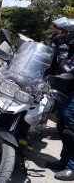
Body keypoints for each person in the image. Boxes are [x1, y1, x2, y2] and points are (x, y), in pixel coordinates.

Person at [44, 17, 74, 180]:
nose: (59, 36)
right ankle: (64, 161)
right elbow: (52, 67)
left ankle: (72, 167)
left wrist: (61, 57)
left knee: (71, 132)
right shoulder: (64, 48)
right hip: (62, 95)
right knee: (63, 130)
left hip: (72, 96)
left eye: (63, 33)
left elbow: (68, 70)